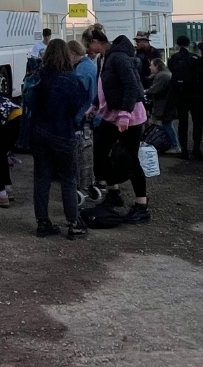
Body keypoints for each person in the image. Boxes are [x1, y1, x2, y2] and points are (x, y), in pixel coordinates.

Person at [83, 29, 151, 223]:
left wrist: (124, 114)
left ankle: (142, 206)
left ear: (96, 42)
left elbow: (132, 86)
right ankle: (113, 193)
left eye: (88, 46)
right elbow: (105, 87)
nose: (88, 50)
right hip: (110, 115)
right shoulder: (104, 58)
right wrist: (94, 106)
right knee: (100, 153)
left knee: (130, 159)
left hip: (129, 117)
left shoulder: (119, 58)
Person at [29, 39, 89, 239]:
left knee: (41, 177)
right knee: (68, 178)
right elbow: (79, 108)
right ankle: (73, 223)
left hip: (38, 132)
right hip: (62, 133)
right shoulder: (70, 79)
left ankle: (42, 222)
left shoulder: (38, 75)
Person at [168, 35, 203, 161]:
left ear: (177, 44)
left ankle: (184, 150)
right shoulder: (196, 58)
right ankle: (196, 149)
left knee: (183, 123)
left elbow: (172, 72)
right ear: (189, 44)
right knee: (198, 122)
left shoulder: (173, 58)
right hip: (196, 93)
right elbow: (202, 74)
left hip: (181, 94)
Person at [68, 39, 98, 195]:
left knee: (82, 154)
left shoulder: (81, 71)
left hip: (84, 117)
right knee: (90, 154)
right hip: (93, 115)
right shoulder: (90, 66)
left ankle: (83, 186)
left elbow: (77, 97)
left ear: (73, 54)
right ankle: (90, 183)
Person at [145, 58, 180, 153]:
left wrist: (146, 91)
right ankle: (174, 144)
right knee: (167, 124)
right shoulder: (165, 74)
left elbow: (155, 90)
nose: (150, 67)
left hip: (165, 105)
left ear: (156, 66)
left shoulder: (161, 76)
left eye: (151, 65)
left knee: (167, 125)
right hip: (168, 104)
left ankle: (175, 145)